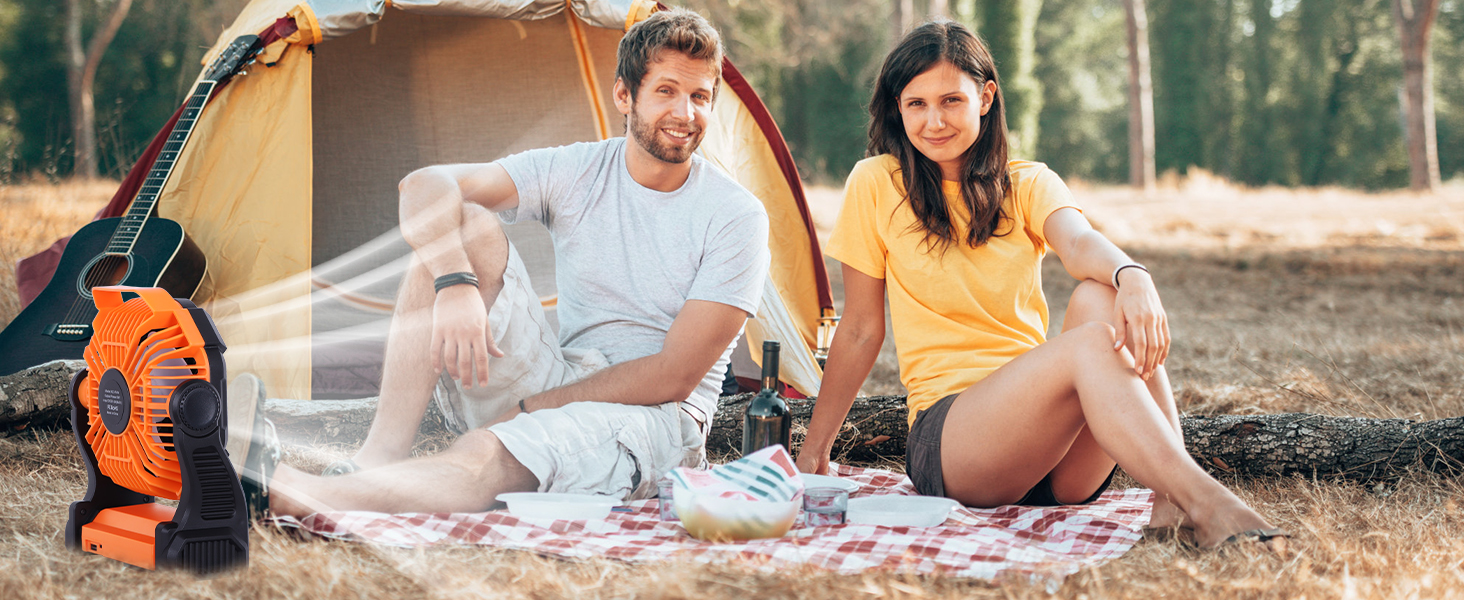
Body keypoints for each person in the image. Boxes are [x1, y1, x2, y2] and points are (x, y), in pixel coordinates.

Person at [233, 8, 770, 517]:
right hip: (564, 372)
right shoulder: (579, 168)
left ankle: (287, 494)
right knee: (462, 222)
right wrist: (457, 284)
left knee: (490, 454)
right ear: (624, 96)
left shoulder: (735, 216)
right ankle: (378, 455)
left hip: (658, 420)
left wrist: (536, 408)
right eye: (667, 92)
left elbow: (674, 376)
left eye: (700, 96)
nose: (685, 113)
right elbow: (424, 185)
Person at [793, 21, 1285, 551]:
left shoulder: (1026, 181)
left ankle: (1170, 504)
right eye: (916, 104)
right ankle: (1209, 504)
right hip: (957, 448)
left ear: (986, 97)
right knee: (1094, 339)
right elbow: (863, 329)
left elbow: (1077, 244)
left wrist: (1133, 275)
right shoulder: (876, 182)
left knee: (1102, 295)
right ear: (897, 108)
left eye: (951, 100)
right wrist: (815, 448)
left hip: (1056, 462)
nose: (933, 121)